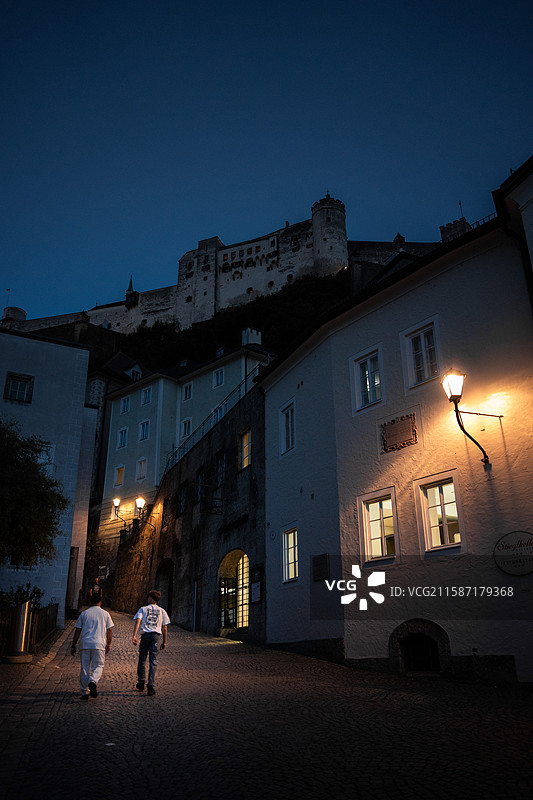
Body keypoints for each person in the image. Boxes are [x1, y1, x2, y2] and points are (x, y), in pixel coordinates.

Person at [71, 595, 114, 700]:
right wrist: (108, 644)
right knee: (98, 665)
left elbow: (77, 630)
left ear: (90, 602)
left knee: (84, 667)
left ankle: (84, 691)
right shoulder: (105, 614)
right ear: (100, 602)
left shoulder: (84, 614)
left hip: (85, 643)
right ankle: (93, 681)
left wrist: (73, 645)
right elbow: (109, 630)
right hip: (99, 644)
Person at [132, 590, 170, 696]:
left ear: (151, 598)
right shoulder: (162, 611)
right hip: (156, 637)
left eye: (149, 597)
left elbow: (138, 621)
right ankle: (150, 685)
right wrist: (164, 641)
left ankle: (141, 682)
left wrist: (134, 635)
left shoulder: (143, 609)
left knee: (142, 659)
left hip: (145, 636)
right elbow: (164, 627)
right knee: (153, 661)